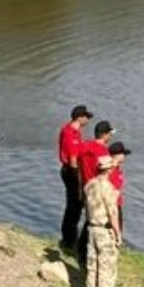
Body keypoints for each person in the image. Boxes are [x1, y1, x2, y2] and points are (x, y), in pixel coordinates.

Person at [83, 155, 123, 287]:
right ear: (110, 169)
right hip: (104, 230)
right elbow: (113, 214)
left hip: (91, 228)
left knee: (92, 264)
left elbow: (86, 207)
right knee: (106, 265)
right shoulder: (108, 188)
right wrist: (118, 233)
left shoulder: (89, 185)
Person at [76, 120, 114, 263]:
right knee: (95, 220)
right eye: (109, 133)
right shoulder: (103, 151)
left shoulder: (85, 146)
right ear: (104, 134)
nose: (110, 135)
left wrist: (80, 187)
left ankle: (81, 248)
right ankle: (85, 250)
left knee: (88, 217)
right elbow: (105, 172)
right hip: (97, 188)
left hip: (86, 186)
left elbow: (79, 166)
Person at [57, 105, 92, 251]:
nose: (88, 119)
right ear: (80, 117)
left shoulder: (71, 130)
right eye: (86, 116)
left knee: (74, 206)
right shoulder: (71, 134)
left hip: (69, 170)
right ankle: (69, 240)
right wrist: (79, 176)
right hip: (72, 172)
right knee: (74, 206)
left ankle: (70, 237)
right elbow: (72, 159)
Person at [107, 141, 131, 239]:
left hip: (116, 202)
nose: (124, 156)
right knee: (114, 230)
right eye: (123, 154)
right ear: (117, 155)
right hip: (113, 204)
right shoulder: (109, 169)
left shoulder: (117, 168)